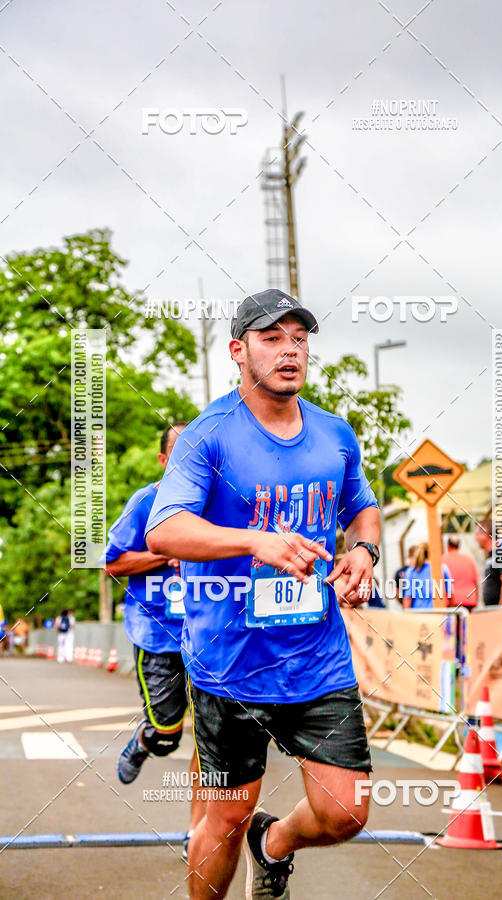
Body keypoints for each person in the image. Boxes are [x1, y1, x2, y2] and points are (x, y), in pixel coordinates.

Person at [145, 289, 381, 900]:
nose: (289, 351)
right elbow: (164, 528)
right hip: (231, 667)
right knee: (223, 819)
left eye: (299, 339)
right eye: (272, 338)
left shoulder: (334, 434)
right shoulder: (209, 435)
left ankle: (273, 844)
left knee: (346, 814)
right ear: (238, 350)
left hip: (317, 661)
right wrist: (256, 542)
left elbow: (365, 510)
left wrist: (364, 551)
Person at [104, 422, 203, 860]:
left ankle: (199, 833)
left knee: (213, 744)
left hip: (209, 639)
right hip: (157, 634)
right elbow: (112, 563)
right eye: (179, 455)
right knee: (168, 732)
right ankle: (145, 742)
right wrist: (168, 552)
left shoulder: (219, 502)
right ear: (164, 461)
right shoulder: (147, 502)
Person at [475, 519, 502, 605]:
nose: (476, 539)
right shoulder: (491, 556)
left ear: (485, 534)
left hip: (501, 613)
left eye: (477, 534)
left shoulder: (501, 554)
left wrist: (501, 610)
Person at [400, 542, 452, 609]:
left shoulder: (411, 571)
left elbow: (407, 599)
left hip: (418, 615)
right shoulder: (442, 568)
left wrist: (406, 616)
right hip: (438, 614)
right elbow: (450, 595)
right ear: (430, 553)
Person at [441, 536, 479, 610]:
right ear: (458, 546)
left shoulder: (442, 560)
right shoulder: (469, 560)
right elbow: (476, 582)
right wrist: (476, 600)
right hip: (469, 601)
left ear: (448, 546)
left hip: (451, 602)